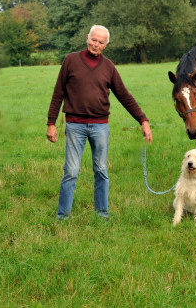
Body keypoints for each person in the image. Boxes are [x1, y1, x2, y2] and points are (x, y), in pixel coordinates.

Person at [46, 25, 153, 220]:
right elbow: (58, 92)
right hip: (74, 125)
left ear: (106, 45)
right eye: (93, 40)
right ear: (87, 38)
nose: (96, 44)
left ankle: (102, 214)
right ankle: (62, 216)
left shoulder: (109, 67)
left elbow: (124, 96)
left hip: (100, 126)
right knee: (70, 171)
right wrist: (51, 122)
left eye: (101, 42)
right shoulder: (71, 60)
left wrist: (143, 120)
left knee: (101, 170)